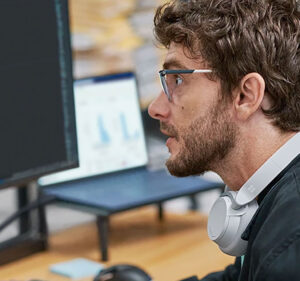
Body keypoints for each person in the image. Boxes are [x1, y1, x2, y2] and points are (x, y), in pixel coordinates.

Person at [148, 0, 300, 280]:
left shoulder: (287, 254)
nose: (155, 108)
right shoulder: (275, 201)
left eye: (177, 80)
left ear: (245, 96)